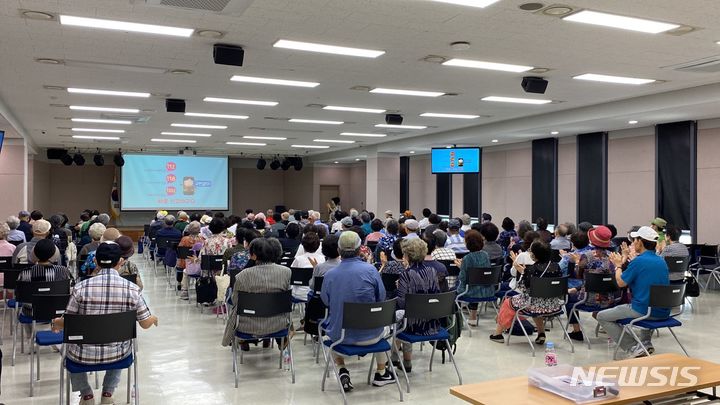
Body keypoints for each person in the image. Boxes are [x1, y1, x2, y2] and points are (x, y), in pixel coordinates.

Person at [51, 242, 158, 405]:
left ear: (96, 262)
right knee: (121, 341)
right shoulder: (132, 289)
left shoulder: (80, 288)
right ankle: (108, 393)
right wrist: (153, 318)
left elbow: (68, 321)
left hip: (81, 355)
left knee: (70, 346)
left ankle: (86, 395)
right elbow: (144, 323)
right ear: (121, 261)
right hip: (118, 354)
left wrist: (56, 323)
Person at [321, 231, 395, 391]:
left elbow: (326, 302)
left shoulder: (330, 275)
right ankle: (381, 372)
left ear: (339, 250)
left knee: (329, 329)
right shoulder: (371, 270)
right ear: (359, 249)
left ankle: (341, 369)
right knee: (385, 325)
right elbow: (380, 298)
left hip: (340, 337)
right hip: (373, 335)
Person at [597, 226, 669, 358]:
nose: (632, 243)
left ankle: (633, 347)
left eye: (634, 240)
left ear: (640, 242)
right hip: (663, 310)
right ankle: (646, 343)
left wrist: (618, 265)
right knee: (648, 302)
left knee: (602, 316)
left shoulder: (639, 261)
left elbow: (620, 283)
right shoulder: (661, 260)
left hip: (642, 310)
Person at [222, 238, 291, 352]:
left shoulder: (243, 275)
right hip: (278, 324)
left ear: (253, 255)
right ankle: (278, 341)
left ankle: (242, 340)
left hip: (247, 326)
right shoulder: (286, 272)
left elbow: (236, 301)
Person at [491, 241, 562, 344]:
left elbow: (522, 288)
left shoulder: (531, 269)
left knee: (507, 302)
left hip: (533, 305)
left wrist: (522, 271)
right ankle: (541, 333)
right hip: (553, 305)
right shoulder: (556, 266)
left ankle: (497, 334)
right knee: (536, 301)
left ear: (534, 255)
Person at [392, 237, 441, 372]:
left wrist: (398, 288)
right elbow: (435, 294)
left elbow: (402, 303)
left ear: (407, 255)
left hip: (413, 326)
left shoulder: (405, 275)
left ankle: (395, 358)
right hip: (432, 323)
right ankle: (405, 361)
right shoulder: (432, 271)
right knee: (409, 314)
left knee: (399, 317)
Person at [564, 226, 617, 341]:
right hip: (609, 300)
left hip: (589, 300)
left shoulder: (587, 256)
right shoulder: (613, 257)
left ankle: (576, 331)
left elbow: (579, 276)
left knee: (568, 300)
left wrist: (577, 263)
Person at [455, 230, 492, 325]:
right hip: (487, 290)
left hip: (471, 292)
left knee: (453, 290)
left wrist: (461, 267)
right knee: (475, 284)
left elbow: (462, 278)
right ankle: (473, 318)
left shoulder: (467, 258)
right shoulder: (485, 255)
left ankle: (457, 321)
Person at [290, 232, 325, 300]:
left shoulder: (298, 259)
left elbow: (292, 276)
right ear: (318, 246)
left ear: (303, 245)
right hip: (316, 293)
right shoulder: (322, 258)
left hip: (299, 294)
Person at [178, 221, 204, 299]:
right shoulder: (202, 240)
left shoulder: (184, 239)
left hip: (188, 266)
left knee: (185, 271)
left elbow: (181, 253)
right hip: (201, 267)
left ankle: (184, 292)